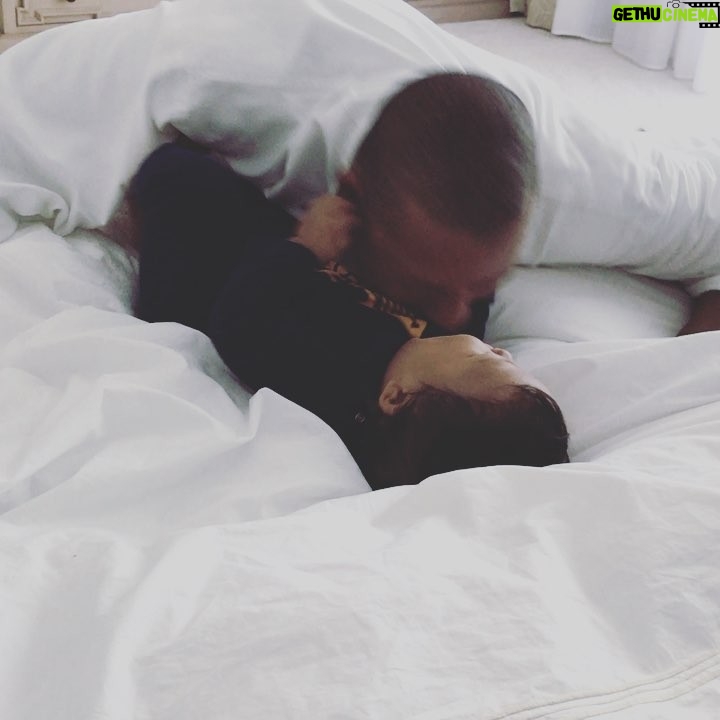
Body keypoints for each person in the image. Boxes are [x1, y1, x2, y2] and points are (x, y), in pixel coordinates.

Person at [130, 136, 570, 490]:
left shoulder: (332, 380)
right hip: (297, 261)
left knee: (186, 183)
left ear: (396, 397)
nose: (499, 350)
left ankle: (149, 193)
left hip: (214, 277)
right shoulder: (434, 347)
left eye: (486, 359)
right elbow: (471, 303)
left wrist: (305, 249)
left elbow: (241, 320)